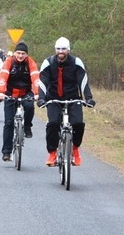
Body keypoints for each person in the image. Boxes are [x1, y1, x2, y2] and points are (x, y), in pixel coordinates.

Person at [38, 37, 96, 166]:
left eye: (63, 49)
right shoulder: (48, 62)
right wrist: (41, 98)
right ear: (55, 50)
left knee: (78, 123)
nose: (61, 51)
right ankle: (52, 152)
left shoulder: (76, 62)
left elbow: (83, 81)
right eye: (58, 49)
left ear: (68, 50)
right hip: (53, 99)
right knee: (52, 124)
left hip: (73, 99)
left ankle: (75, 149)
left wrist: (88, 98)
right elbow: (42, 81)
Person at [0, 42, 39, 161]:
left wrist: (37, 93)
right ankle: (6, 152)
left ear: (27, 54)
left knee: (30, 106)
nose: (20, 56)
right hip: (10, 93)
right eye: (18, 53)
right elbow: (3, 77)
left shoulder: (30, 62)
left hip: (26, 92)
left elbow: (35, 77)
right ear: (15, 53)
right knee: (9, 123)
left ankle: (27, 126)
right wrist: (1, 91)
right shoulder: (9, 62)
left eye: (23, 54)